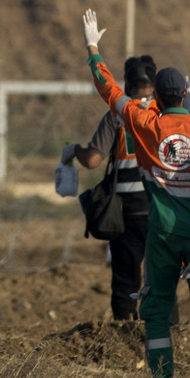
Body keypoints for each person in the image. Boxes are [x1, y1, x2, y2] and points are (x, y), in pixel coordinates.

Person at [81, 9, 190, 378]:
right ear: (184, 95)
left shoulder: (144, 124)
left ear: (156, 98)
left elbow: (109, 90)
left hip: (161, 234)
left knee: (155, 307)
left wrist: (93, 48)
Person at [63, 54, 157, 321]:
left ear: (127, 83)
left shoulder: (118, 114)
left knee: (126, 278)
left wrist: (75, 150)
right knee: (161, 276)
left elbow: (93, 160)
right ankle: (164, 331)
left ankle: (124, 330)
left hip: (126, 211)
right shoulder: (162, 113)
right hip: (159, 207)